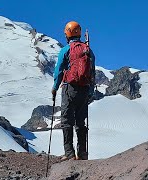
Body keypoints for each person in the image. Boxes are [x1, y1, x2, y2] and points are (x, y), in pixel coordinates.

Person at [52, 21, 95, 161]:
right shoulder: (87, 50)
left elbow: (59, 70)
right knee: (81, 123)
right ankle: (82, 153)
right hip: (84, 89)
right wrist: (90, 91)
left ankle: (69, 154)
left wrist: (54, 87)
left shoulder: (65, 50)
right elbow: (92, 72)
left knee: (67, 121)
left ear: (68, 33)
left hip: (69, 88)